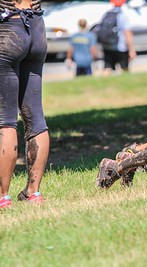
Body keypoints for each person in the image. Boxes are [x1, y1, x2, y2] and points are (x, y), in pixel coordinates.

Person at [0, 0, 49, 208]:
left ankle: (2, 196)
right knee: (36, 116)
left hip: (8, 27)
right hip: (36, 24)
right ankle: (33, 192)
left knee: (5, 120)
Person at [98, 0, 136, 75]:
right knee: (124, 68)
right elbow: (128, 33)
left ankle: (102, 85)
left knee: (107, 68)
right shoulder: (122, 16)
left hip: (107, 46)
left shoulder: (107, 14)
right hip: (120, 47)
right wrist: (131, 50)